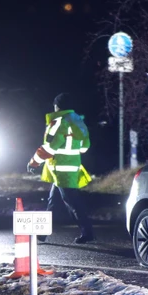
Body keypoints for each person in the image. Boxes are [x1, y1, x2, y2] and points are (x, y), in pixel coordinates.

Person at [27, 93, 94, 243]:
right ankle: (42, 233)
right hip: (72, 166)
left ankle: (88, 232)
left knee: (72, 201)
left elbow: (49, 147)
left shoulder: (58, 122)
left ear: (57, 106)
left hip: (60, 168)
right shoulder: (79, 122)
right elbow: (85, 147)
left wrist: (34, 162)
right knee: (53, 200)